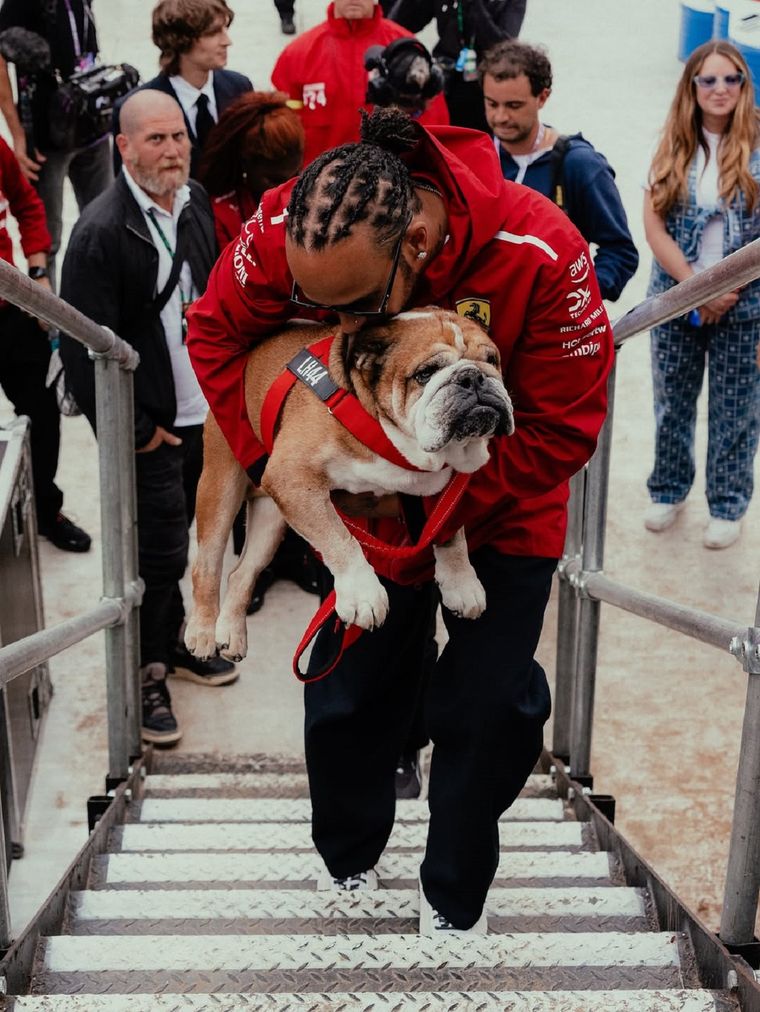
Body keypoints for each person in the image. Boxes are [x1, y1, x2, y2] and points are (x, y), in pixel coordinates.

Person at [186, 107, 613, 931]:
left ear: (414, 252)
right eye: (307, 299)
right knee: (349, 694)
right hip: (361, 490)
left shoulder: (544, 247)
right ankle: (348, 853)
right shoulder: (303, 222)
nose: (322, 316)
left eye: (345, 308)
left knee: (491, 707)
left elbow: (565, 426)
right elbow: (212, 332)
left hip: (501, 499)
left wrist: (439, 498)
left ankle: (454, 894)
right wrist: (271, 459)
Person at [60, 90, 238, 748]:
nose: (171, 150)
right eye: (155, 140)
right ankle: (147, 670)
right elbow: (82, 351)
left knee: (190, 539)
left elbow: (214, 293)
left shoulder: (193, 203)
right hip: (155, 425)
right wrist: (135, 433)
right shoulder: (101, 234)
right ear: (123, 147)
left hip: (202, 416)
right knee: (156, 555)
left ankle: (176, 646)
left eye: (178, 137)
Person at [197, 90, 319, 611]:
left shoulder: (310, 197)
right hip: (248, 352)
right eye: (272, 174)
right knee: (245, 463)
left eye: (291, 169)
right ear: (248, 165)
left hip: (303, 348)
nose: (281, 182)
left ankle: (296, 554)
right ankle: (248, 567)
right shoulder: (220, 210)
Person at [644, 40, 760, 551]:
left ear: (743, 84)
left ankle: (727, 502)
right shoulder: (673, 143)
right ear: (692, 87)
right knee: (672, 401)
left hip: (745, 306)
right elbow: (654, 225)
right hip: (677, 297)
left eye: (730, 78)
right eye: (708, 80)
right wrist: (696, 287)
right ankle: (669, 489)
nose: (719, 89)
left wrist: (730, 285)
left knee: (736, 409)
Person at [479, 40, 638, 303]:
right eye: (492, 104)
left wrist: (574, 300)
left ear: (543, 97)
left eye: (514, 106)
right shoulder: (474, 159)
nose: (500, 117)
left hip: (551, 326)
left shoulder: (580, 165)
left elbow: (620, 252)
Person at [0, 135, 90, 552]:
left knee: (42, 411)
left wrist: (38, 270)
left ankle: (44, 509)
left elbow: (27, 204)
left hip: (8, 304)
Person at [0, 0, 113, 288]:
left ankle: (103, 308)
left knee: (108, 224)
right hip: (45, 138)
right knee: (47, 238)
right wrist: (18, 134)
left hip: (93, 127)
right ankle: (50, 323)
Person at [271, 0, 447, 167]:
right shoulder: (296, 56)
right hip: (319, 186)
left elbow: (435, 129)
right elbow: (283, 139)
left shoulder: (407, 54)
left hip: (391, 186)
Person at [113, 0, 252, 178]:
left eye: (225, 29)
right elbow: (128, 185)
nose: (227, 41)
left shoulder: (239, 87)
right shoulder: (135, 109)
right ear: (181, 40)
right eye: (213, 33)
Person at [387, 0, 526, 131]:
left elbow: (503, 48)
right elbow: (399, 23)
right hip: (444, 81)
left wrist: (474, 5)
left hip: (484, 87)